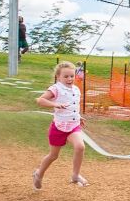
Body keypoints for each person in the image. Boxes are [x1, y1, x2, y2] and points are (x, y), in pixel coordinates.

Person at [32, 61, 88, 190]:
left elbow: (73, 106)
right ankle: (38, 174)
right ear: (58, 77)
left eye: (72, 76)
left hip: (73, 125)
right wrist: (55, 104)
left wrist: (78, 117)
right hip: (58, 127)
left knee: (80, 147)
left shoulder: (76, 89)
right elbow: (40, 100)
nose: (69, 79)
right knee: (53, 156)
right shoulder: (56, 88)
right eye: (66, 76)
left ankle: (75, 175)